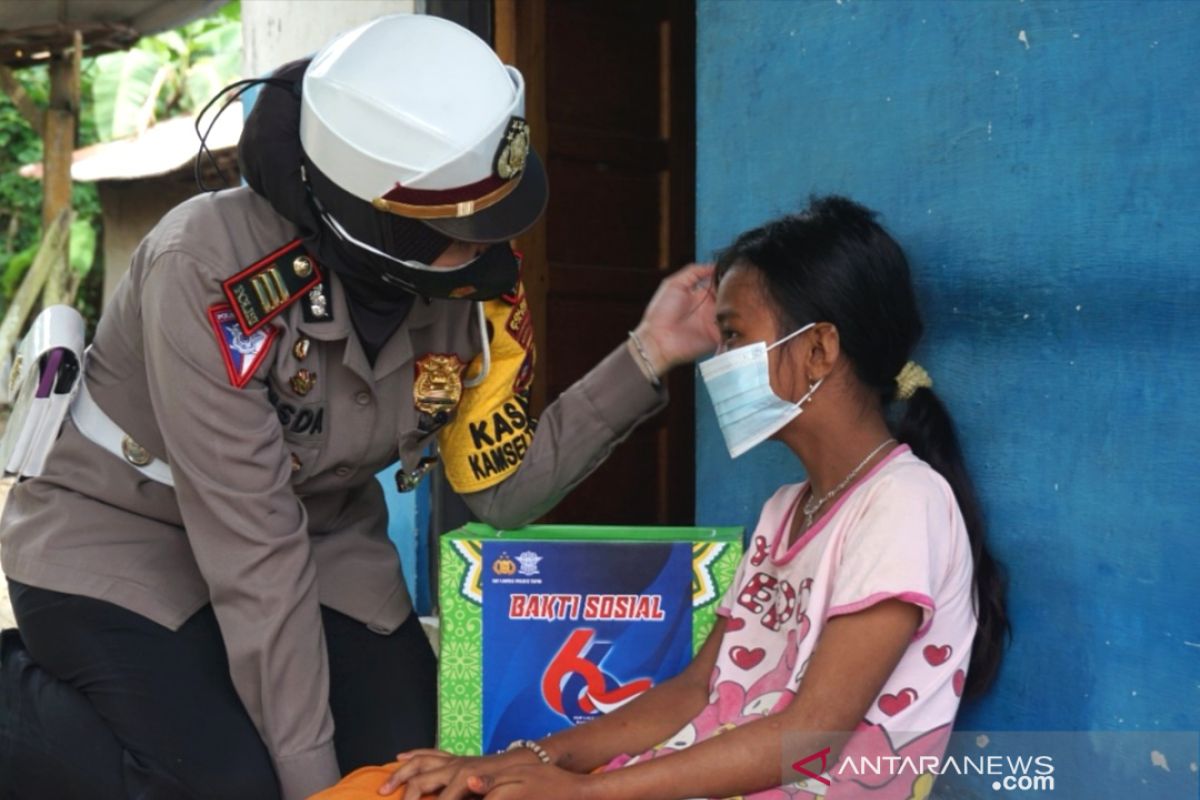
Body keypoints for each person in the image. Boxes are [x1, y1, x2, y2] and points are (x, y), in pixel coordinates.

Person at [0, 15, 717, 800]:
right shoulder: (207, 267)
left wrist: (648, 353)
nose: (490, 247)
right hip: (125, 535)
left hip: (322, 537)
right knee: (234, 784)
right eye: (462, 229)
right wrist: (313, 787)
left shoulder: (462, 283)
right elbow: (254, 551)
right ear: (376, 218)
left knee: (409, 772)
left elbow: (500, 488)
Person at [354, 196, 1009, 800]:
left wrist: (585, 795)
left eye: (733, 335)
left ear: (818, 349)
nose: (717, 360)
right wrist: (524, 759)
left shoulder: (902, 504)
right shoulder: (788, 509)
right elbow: (698, 691)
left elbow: (815, 737)